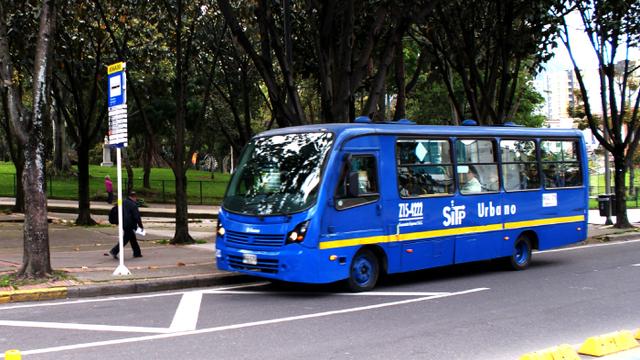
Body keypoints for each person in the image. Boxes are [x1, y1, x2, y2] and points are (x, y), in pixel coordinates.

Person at [109, 191, 144, 259]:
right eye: (135, 197)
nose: (136, 199)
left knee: (132, 238)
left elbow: (116, 208)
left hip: (123, 223)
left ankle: (137, 253)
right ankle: (114, 251)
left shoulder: (122, 201)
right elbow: (137, 217)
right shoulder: (133, 205)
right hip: (130, 224)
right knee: (125, 239)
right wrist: (140, 226)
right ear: (134, 197)